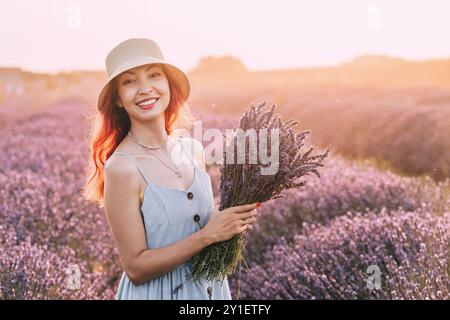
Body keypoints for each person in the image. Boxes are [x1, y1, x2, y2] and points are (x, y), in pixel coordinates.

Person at [83, 38, 260, 300]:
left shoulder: (193, 150)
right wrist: (209, 235)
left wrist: (233, 218)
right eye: (130, 81)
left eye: (154, 75)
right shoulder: (121, 168)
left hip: (209, 290)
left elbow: (194, 222)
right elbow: (135, 268)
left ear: (168, 85)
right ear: (118, 100)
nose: (145, 89)